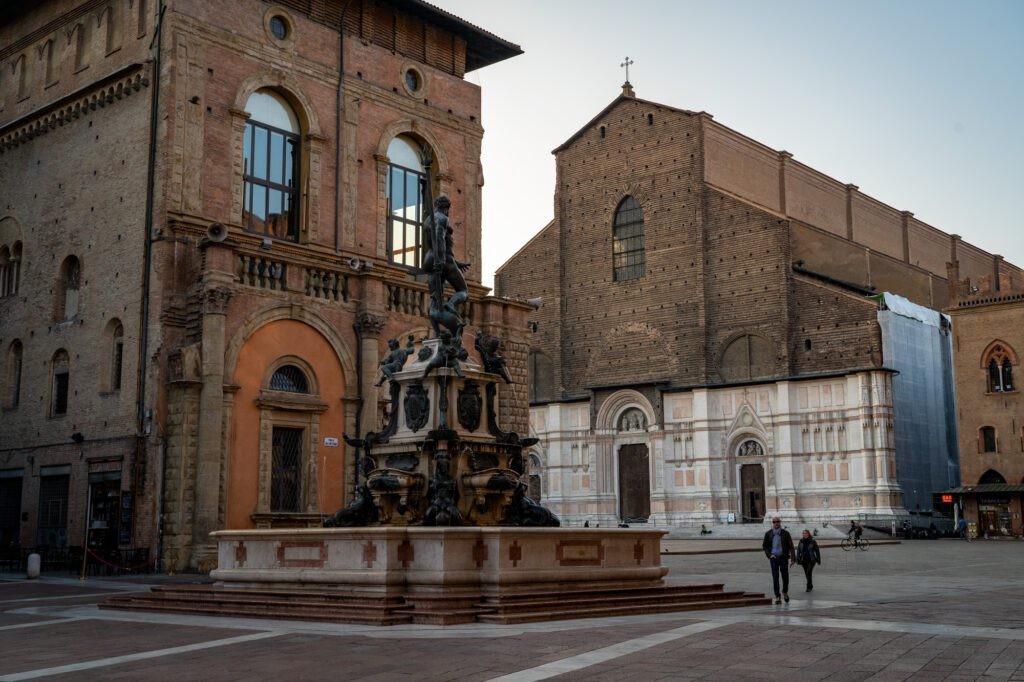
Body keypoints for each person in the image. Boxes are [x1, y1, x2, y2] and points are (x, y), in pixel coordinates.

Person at [762, 516, 796, 604]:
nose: (776, 523)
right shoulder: (768, 534)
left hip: (783, 557)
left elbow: (791, 546)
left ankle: (785, 591)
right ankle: (777, 596)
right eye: (774, 522)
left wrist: (793, 558)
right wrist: (769, 555)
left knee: (785, 576)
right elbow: (764, 546)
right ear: (772, 523)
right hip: (774, 559)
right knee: (775, 577)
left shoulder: (785, 533)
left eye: (777, 522)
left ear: (780, 523)